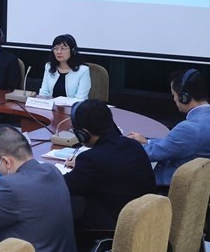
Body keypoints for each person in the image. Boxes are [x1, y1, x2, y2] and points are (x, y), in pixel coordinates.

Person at [64, 99, 156, 231]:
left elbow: (62, 186)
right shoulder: (133, 145)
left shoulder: (91, 160)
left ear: (83, 134)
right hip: (146, 224)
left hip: (111, 234)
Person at [128, 69, 210, 186]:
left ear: (184, 97)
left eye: (174, 95)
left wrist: (126, 144)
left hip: (167, 188)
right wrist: (148, 141)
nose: (174, 99)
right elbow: (178, 144)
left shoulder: (189, 129)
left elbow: (150, 154)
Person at [39, 34, 90, 99]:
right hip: (51, 107)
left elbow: (80, 99)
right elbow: (44, 92)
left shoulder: (83, 70)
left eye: (63, 48)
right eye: (56, 48)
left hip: (73, 108)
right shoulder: (49, 66)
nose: (58, 52)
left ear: (72, 50)